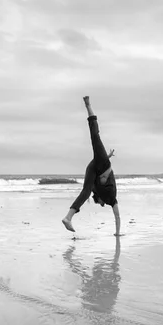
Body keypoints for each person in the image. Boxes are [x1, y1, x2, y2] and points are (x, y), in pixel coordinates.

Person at [62, 96, 121, 236]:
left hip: (94, 167)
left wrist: (106, 156)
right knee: (95, 136)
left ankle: (68, 217)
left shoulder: (96, 190)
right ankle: (88, 105)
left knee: (86, 191)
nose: (101, 204)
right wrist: (117, 233)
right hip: (102, 164)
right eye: (100, 203)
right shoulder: (112, 199)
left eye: (99, 203)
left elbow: (117, 216)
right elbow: (117, 217)